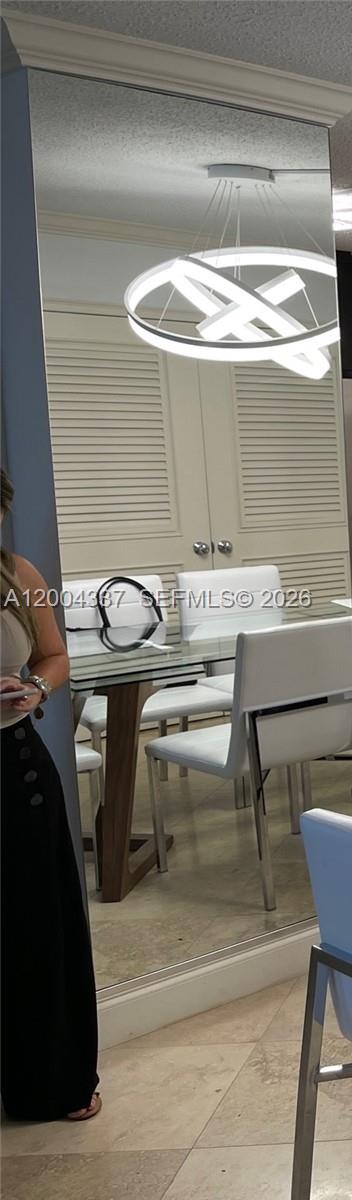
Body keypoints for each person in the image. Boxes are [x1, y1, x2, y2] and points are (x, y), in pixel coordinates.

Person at [0, 469, 100, 1121]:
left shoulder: (18, 575)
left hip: (18, 767)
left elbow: (54, 656)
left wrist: (35, 689)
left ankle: (53, 1081)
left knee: (38, 928)